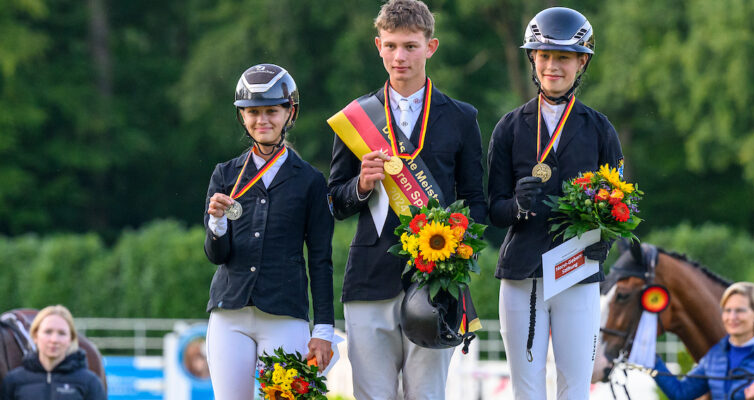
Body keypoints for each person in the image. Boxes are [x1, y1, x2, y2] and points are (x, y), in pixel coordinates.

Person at [327, 1, 486, 398]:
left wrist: (456, 257)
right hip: (368, 279)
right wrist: (360, 186)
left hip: (436, 283)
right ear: (377, 45)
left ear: (431, 47)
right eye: (392, 46)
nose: (401, 57)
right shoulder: (355, 119)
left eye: (411, 46)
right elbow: (335, 202)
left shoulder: (462, 117)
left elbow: (475, 202)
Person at [486, 7, 624, 399]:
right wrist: (514, 205)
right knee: (527, 390)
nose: (552, 66)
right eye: (544, 56)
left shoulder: (600, 129)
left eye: (563, 57)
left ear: (581, 62)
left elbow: (619, 206)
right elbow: (492, 208)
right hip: (521, 272)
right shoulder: (509, 127)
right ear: (532, 58)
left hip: (578, 271)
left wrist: (605, 240)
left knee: (575, 387)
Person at [204, 63, 334, 399]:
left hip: (284, 315)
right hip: (229, 313)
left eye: (271, 111)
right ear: (242, 117)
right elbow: (216, 255)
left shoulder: (310, 181)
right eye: (253, 112)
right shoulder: (224, 174)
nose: (262, 120)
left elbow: (320, 259)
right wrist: (217, 225)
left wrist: (324, 329)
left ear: (289, 113)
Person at [652, 282, 754, 399]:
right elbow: (681, 394)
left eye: (740, 310)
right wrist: (652, 361)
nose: (732, 318)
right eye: (727, 310)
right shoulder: (715, 356)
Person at [0, 305, 106, 400]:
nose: (54, 340)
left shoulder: (90, 382)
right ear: (35, 336)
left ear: (71, 338)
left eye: (62, 333)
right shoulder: (12, 382)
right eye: (48, 332)